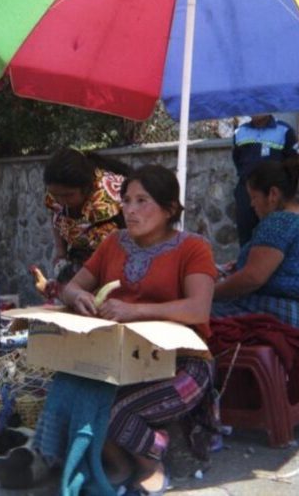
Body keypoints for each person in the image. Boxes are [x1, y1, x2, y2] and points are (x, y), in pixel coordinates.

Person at [33, 165, 217, 495]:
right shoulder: (113, 243)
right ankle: (117, 462)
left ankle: (153, 461)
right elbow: (69, 288)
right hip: (119, 359)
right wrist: (80, 297)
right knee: (70, 394)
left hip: (184, 363)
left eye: (142, 201)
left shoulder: (194, 248)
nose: (130, 210)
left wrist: (135, 311)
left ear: (169, 209)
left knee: (115, 413)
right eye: (127, 200)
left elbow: (198, 308)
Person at [212, 158, 299, 370]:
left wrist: (210, 292)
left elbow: (252, 278)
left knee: (205, 312)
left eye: (254, 197)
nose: (252, 205)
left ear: (272, 194)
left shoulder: (278, 222)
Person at [43, 148, 132, 283]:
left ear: (86, 188)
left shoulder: (112, 193)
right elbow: (56, 215)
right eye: (56, 195)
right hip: (82, 266)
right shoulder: (55, 195)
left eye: (68, 195)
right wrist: (61, 253)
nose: (61, 201)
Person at [232, 114, 299, 246]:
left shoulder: (284, 131)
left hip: (273, 194)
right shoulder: (240, 132)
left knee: (276, 237)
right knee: (246, 237)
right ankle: (249, 264)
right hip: (246, 192)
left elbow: (293, 164)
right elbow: (238, 160)